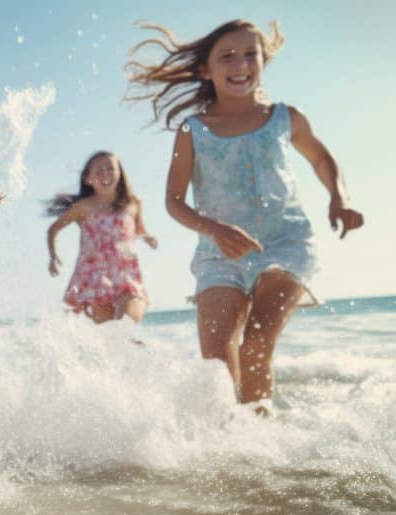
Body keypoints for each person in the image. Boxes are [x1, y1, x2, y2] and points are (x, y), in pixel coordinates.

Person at [126, 20, 364, 410]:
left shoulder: (286, 118)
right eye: (227, 56)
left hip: (285, 244)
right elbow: (173, 200)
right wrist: (214, 229)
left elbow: (321, 158)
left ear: (263, 60)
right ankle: (233, 451)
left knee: (255, 344)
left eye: (250, 54)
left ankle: (261, 441)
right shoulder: (193, 131)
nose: (241, 63)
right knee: (216, 368)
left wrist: (339, 198)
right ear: (206, 70)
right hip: (219, 254)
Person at [46, 151, 157, 324]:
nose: (105, 173)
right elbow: (53, 229)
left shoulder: (133, 203)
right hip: (93, 279)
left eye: (110, 169)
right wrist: (53, 256)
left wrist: (147, 237)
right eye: (99, 171)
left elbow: (139, 229)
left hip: (126, 276)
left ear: (119, 173)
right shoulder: (83, 207)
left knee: (126, 328)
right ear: (88, 179)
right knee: (111, 341)